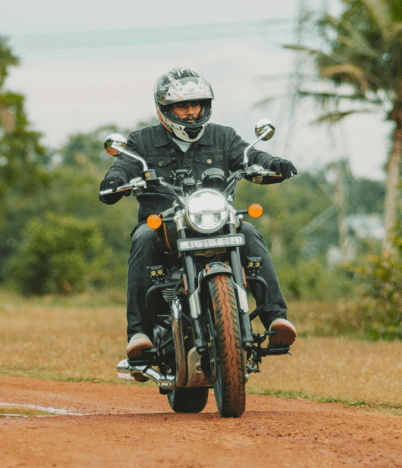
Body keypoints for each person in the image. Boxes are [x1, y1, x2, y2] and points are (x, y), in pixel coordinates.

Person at [99, 67, 298, 361]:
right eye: (182, 106)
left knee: (249, 232)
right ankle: (139, 333)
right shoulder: (142, 141)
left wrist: (272, 162)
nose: (191, 112)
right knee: (142, 238)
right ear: (164, 109)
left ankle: (275, 319)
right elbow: (123, 166)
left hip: (217, 224)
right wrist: (115, 180)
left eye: (196, 104)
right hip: (163, 227)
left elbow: (249, 156)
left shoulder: (223, 137)